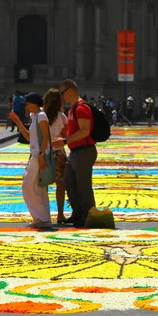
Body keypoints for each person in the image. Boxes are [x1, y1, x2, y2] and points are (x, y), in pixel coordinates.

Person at [8, 92, 53, 229]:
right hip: (35, 154)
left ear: (33, 104)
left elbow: (45, 137)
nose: (26, 107)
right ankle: (42, 218)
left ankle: (42, 217)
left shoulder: (41, 116)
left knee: (28, 186)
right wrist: (18, 123)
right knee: (37, 188)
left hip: (39, 155)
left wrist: (40, 155)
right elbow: (28, 137)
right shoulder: (35, 117)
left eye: (27, 104)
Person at [59, 79, 98, 227]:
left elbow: (85, 131)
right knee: (68, 181)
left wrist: (65, 140)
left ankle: (89, 215)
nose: (62, 96)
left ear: (70, 91)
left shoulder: (81, 108)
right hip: (75, 151)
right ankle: (78, 213)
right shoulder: (73, 108)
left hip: (84, 152)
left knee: (83, 185)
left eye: (63, 93)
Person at [44, 89, 69, 225]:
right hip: (58, 153)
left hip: (46, 152)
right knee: (60, 184)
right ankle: (60, 214)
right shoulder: (62, 116)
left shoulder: (41, 116)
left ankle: (45, 213)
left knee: (44, 184)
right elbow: (67, 136)